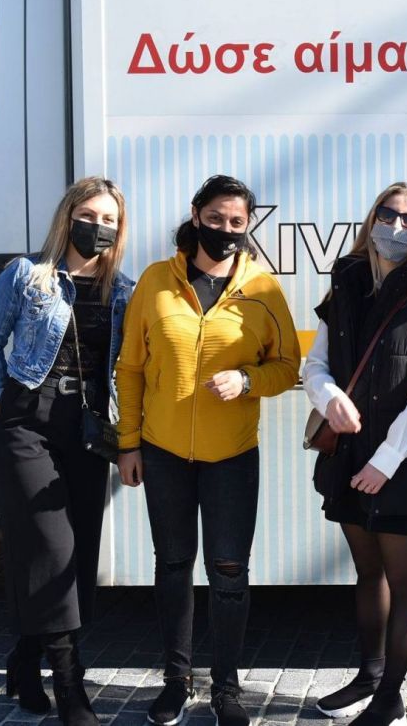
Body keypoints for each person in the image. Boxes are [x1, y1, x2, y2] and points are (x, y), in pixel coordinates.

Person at [114, 175, 300, 726]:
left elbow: (287, 366)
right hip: (163, 451)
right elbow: (130, 369)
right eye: (215, 218)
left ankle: (227, 689)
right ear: (195, 215)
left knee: (229, 573)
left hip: (232, 457)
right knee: (173, 566)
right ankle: (176, 681)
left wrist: (247, 380)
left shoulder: (263, 288)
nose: (225, 229)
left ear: (248, 226)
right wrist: (128, 444)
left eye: (237, 221)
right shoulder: (156, 281)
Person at [0, 177, 134, 726]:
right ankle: (70, 686)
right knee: (48, 544)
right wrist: (0, 400)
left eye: (109, 219)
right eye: (89, 214)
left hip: (87, 426)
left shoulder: (123, 290)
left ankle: (24, 660)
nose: (98, 226)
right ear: (68, 216)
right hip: (28, 422)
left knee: (75, 553)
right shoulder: (26, 275)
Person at [303, 183, 407, 726]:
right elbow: (314, 365)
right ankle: (369, 676)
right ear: (372, 219)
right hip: (349, 456)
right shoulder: (345, 283)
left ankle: (390, 697)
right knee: (366, 572)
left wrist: (387, 461)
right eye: (388, 215)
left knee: (404, 580)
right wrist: (329, 397)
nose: (396, 227)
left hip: (405, 463)